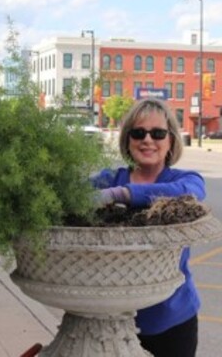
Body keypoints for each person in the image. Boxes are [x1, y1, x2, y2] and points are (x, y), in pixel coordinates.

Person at [93, 98, 205, 357]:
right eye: (138, 132)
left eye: (157, 133)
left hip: (172, 319)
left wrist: (122, 194)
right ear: (127, 140)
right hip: (112, 319)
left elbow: (190, 194)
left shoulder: (184, 180)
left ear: (171, 141)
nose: (147, 140)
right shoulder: (108, 179)